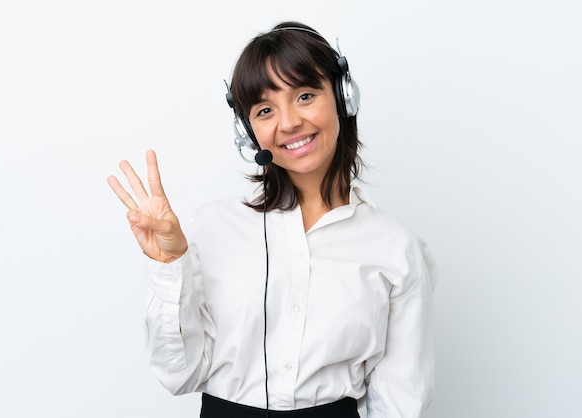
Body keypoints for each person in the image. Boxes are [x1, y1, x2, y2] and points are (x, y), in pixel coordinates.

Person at [108, 21, 437, 418]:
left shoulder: (396, 249)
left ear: (343, 97)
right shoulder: (212, 228)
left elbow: (401, 402)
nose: (288, 122)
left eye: (305, 95)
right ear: (248, 131)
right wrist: (169, 264)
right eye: (265, 109)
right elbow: (180, 375)